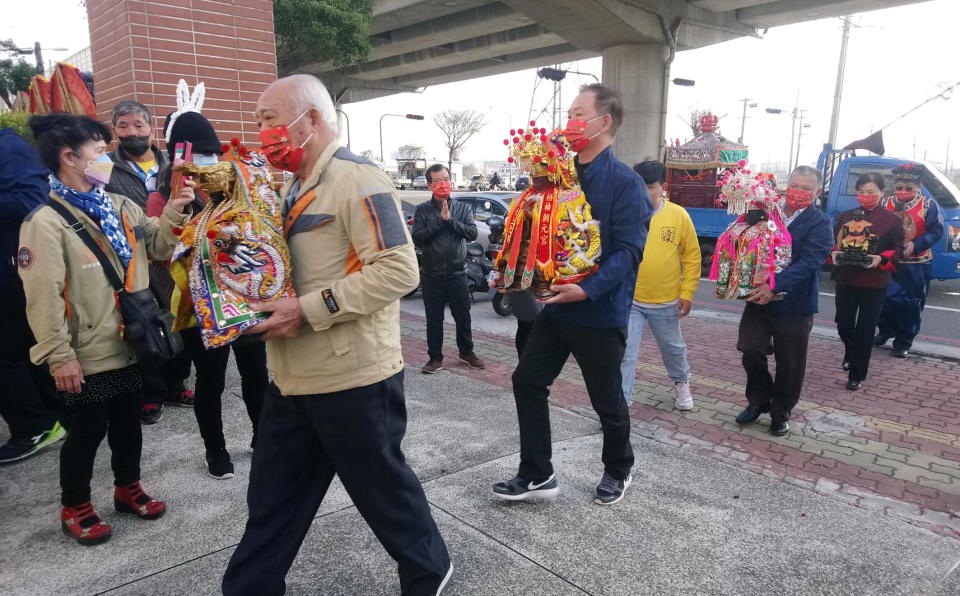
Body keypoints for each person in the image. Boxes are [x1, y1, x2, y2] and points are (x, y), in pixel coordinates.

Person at [222, 74, 452, 595]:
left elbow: (398, 271)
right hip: (292, 374)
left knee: (383, 493)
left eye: (270, 120)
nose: (263, 133)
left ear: (312, 120)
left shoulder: (358, 180)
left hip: (353, 377)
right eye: (260, 123)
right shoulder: (286, 188)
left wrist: (306, 311)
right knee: (273, 499)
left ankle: (429, 571)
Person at [20, 113, 190, 544]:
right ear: (70, 157)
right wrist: (59, 355)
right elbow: (43, 297)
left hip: (131, 341)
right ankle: (75, 506)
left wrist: (175, 207)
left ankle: (126, 488)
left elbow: (157, 244)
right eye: (98, 150)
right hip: (88, 352)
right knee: (88, 432)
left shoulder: (118, 205)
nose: (106, 158)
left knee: (128, 424)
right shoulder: (45, 222)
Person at [493, 83, 651, 506]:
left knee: (606, 400)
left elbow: (629, 251)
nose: (569, 123)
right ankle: (537, 473)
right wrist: (513, 269)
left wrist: (587, 288)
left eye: (578, 114)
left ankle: (619, 467)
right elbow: (537, 235)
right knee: (527, 380)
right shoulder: (557, 175)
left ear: (603, 123)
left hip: (598, 311)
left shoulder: (625, 183)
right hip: (556, 310)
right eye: (568, 115)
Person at [155, 110, 270, 480]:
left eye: (210, 153)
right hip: (197, 306)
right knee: (211, 381)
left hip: (242, 296)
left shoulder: (230, 188)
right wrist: (179, 205)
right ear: (177, 156)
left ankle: (263, 438)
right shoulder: (164, 197)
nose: (205, 162)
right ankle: (215, 450)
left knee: (256, 374)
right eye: (196, 154)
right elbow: (160, 249)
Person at [105, 99, 193, 423]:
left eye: (139, 126)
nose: (132, 132)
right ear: (114, 130)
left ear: (152, 129)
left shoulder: (175, 162)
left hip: (172, 251)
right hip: (134, 258)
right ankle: (152, 392)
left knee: (177, 318)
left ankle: (177, 383)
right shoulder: (103, 166)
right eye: (124, 126)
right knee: (144, 323)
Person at [733, 166, 834, 436]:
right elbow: (745, 242)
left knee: (790, 362)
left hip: (795, 305)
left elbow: (810, 262)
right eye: (794, 185)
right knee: (750, 349)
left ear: (817, 192)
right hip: (758, 299)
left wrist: (775, 286)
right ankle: (758, 400)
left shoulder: (820, 222)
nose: (798, 192)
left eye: (806, 188)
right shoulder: (768, 211)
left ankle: (781, 412)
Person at [0, 126, 65, 464]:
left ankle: (36, 425)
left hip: (12, 269)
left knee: (11, 353)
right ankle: (49, 417)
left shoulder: (7, 146)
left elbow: (31, 199)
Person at [620, 161, 700, 411]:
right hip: (631, 300)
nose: (643, 192)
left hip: (666, 300)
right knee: (624, 353)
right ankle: (622, 402)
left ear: (662, 187)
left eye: (650, 187)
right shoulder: (624, 213)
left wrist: (687, 293)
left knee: (673, 348)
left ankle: (681, 382)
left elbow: (692, 256)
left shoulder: (678, 215)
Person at [832, 172, 904, 391]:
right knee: (844, 325)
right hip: (847, 278)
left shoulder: (892, 220)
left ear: (882, 193)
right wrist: (834, 253)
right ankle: (850, 351)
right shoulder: (846, 217)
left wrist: (881, 258)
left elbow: (899, 249)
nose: (865, 196)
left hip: (875, 282)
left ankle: (857, 373)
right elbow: (835, 243)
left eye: (871, 192)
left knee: (865, 329)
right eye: (861, 192)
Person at [412, 163, 485, 374]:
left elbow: (471, 233)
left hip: (457, 273)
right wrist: (438, 223)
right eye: (437, 181)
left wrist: (450, 220)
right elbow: (417, 237)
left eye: (446, 180)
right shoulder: (422, 210)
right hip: (431, 274)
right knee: (434, 319)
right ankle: (435, 358)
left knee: (463, 316)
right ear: (429, 185)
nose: (443, 184)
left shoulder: (462, 208)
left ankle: (466, 352)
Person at [874, 164, 944, 357]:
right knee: (884, 299)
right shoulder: (885, 203)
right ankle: (884, 331)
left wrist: (916, 244)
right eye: (899, 187)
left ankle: (903, 341)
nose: (903, 192)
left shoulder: (928, 205)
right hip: (889, 261)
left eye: (908, 188)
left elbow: (937, 232)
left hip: (916, 265)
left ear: (918, 187)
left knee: (910, 303)